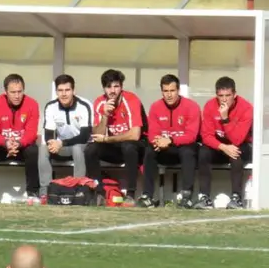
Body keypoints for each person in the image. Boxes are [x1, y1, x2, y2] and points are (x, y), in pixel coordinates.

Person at [136, 74, 200, 208]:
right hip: (164, 149)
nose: (169, 95)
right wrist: (159, 142)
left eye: (172, 91)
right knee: (150, 150)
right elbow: (153, 134)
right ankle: (147, 195)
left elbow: (191, 136)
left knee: (188, 150)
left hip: (182, 148)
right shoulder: (155, 107)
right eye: (165, 91)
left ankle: (187, 196)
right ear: (162, 92)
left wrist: (170, 140)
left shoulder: (192, 106)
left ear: (178, 91)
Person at [85, 69, 145, 205]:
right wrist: (105, 115)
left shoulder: (131, 99)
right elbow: (96, 135)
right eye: (109, 87)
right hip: (114, 147)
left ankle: (130, 194)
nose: (112, 90)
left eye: (116, 86)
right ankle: (98, 192)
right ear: (104, 89)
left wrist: (107, 139)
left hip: (136, 147)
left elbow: (135, 135)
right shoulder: (100, 102)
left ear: (121, 87)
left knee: (128, 146)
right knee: (90, 149)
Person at [0, 74, 40, 203]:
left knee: (33, 150)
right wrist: (5, 142)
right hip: (2, 147)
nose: (17, 96)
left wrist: (19, 143)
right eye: (13, 92)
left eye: (20, 91)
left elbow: (31, 132)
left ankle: (33, 193)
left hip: (21, 147)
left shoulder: (32, 104)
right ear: (5, 92)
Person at [195, 76, 253, 209]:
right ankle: (204, 197)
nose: (225, 99)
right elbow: (206, 135)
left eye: (228, 95)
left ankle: (236, 198)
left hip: (240, 144)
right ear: (216, 95)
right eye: (221, 96)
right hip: (220, 145)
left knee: (235, 153)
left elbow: (237, 139)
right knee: (203, 151)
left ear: (235, 94)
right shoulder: (210, 105)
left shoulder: (246, 107)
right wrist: (222, 147)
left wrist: (225, 118)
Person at [38, 74, 92, 197]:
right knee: (43, 149)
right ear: (56, 92)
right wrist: (53, 143)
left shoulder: (84, 106)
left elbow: (84, 136)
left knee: (78, 147)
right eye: (60, 90)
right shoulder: (51, 106)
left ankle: (79, 189)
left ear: (74, 91)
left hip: (82, 146)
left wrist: (61, 143)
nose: (64, 94)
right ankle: (45, 191)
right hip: (62, 146)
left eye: (67, 90)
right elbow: (48, 134)